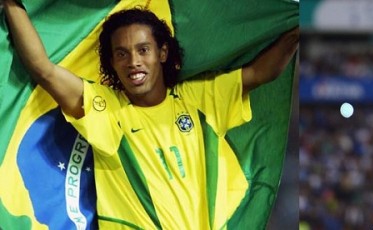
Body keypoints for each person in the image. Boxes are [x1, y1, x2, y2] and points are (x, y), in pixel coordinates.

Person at [4, 0, 298, 229]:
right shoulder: (106, 109)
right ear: (112, 63)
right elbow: (43, 69)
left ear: (163, 53)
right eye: (121, 54)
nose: (133, 62)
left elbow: (261, 72)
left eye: (143, 50)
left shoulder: (201, 99)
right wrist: (11, 4)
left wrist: (298, 28)